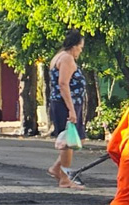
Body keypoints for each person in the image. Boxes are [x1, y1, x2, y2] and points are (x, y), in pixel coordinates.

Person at [46, 30, 87, 189]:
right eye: (80, 47)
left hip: (63, 103)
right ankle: (64, 178)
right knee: (68, 143)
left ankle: (56, 168)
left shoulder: (59, 56)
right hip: (66, 104)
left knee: (77, 139)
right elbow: (63, 84)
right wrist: (71, 109)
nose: (80, 51)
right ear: (74, 46)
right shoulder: (67, 58)